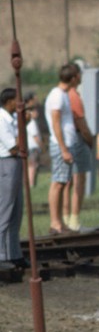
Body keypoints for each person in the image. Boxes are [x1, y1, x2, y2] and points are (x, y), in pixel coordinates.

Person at [45, 64, 85, 235]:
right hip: (62, 146)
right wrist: (64, 149)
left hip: (66, 145)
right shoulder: (57, 96)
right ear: (74, 77)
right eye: (79, 75)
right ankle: (55, 223)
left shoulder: (63, 95)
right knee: (58, 184)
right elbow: (56, 123)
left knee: (62, 183)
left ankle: (60, 222)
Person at [0, 89, 23, 269]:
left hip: (14, 163)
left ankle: (14, 253)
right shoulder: (2, 119)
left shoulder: (11, 119)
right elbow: (13, 147)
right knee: (5, 211)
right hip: (6, 164)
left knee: (16, 210)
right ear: (9, 101)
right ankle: (1, 255)